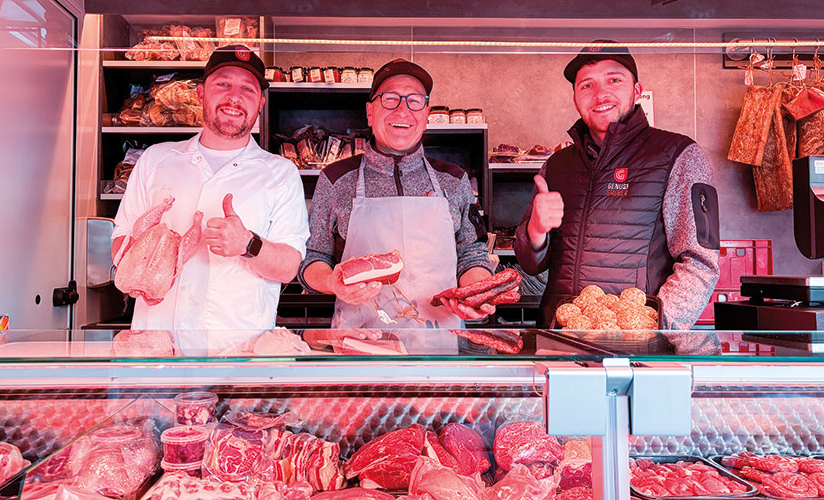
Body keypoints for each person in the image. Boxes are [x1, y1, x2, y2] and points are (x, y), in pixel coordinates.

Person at [515, 41, 721, 354]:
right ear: (576, 100)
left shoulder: (679, 155)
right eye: (587, 85)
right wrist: (536, 232)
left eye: (614, 80)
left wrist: (653, 330)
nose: (600, 95)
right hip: (560, 342)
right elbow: (529, 264)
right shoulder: (556, 165)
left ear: (637, 90)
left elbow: (700, 262)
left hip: (639, 350)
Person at [112, 45, 309, 332]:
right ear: (201, 93)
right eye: (223, 84)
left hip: (238, 351)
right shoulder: (156, 159)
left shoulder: (281, 174)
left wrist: (248, 244)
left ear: (260, 104)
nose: (234, 97)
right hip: (157, 344)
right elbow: (120, 239)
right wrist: (141, 261)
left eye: (247, 90)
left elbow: (289, 266)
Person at [299, 59, 493, 351]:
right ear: (369, 111)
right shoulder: (336, 180)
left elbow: (472, 255)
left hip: (439, 345)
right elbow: (311, 259)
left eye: (415, 101)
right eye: (390, 99)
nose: (403, 110)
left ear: (426, 114)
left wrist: (477, 293)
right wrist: (332, 282)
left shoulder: (454, 180)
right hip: (360, 344)